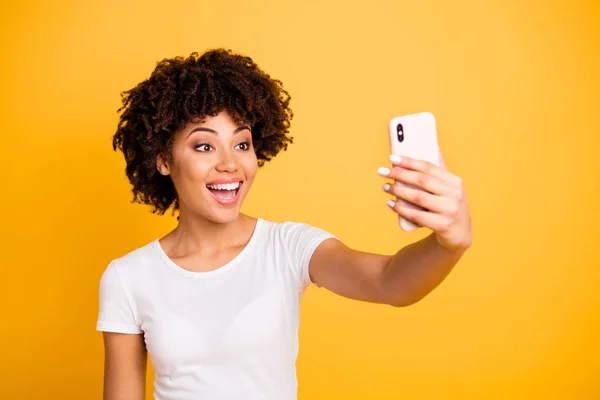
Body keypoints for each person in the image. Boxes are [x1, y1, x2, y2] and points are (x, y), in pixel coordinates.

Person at [96, 48, 472, 400]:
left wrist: (448, 244)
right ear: (163, 160)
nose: (230, 164)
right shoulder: (128, 277)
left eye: (242, 144)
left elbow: (389, 281)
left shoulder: (288, 247)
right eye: (204, 146)